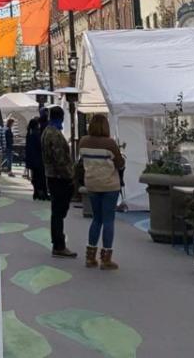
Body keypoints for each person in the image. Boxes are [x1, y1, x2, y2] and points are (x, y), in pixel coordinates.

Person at [77, 113, 127, 270]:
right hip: (109, 185)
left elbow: (81, 160)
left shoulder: (83, 142)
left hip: (92, 183)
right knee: (108, 220)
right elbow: (119, 163)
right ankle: (106, 258)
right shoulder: (109, 143)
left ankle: (90, 257)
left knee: (96, 219)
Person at [42, 105, 77, 259]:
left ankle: (57, 242)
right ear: (61, 117)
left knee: (56, 212)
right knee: (59, 212)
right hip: (59, 177)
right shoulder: (55, 135)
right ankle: (59, 245)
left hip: (51, 175)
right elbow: (60, 159)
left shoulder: (46, 132)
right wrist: (70, 176)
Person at [25, 110, 48, 200]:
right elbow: (40, 146)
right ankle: (41, 193)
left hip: (31, 159)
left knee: (35, 176)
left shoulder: (29, 134)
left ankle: (36, 192)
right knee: (40, 176)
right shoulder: (36, 134)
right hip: (38, 159)